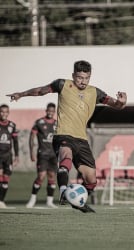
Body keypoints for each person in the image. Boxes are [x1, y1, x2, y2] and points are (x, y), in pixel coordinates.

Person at [7, 60, 127, 213]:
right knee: (66, 157)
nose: (83, 81)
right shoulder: (62, 84)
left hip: (82, 139)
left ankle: (77, 201)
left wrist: (122, 102)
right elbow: (41, 91)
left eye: (86, 78)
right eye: (79, 77)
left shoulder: (95, 92)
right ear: (73, 75)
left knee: (91, 180)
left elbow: (116, 105)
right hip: (63, 134)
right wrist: (21, 94)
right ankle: (64, 191)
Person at [26, 103, 58, 208]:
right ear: (46, 110)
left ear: (54, 112)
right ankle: (32, 199)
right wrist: (31, 152)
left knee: (52, 176)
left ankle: (49, 201)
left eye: (52, 111)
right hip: (43, 154)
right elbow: (32, 137)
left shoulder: (57, 124)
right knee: (41, 176)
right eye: (49, 111)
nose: (50, 113)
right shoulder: (39, 122)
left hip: (54, 155)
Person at [0, 104, 19, 208]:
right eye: (2, 112)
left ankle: (2, 201)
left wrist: (17, 156)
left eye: (6, 112)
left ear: (8, 113)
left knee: (6, 178)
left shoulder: (12, 125)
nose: (4, 114)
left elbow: (15, 142)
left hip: (8, 156)